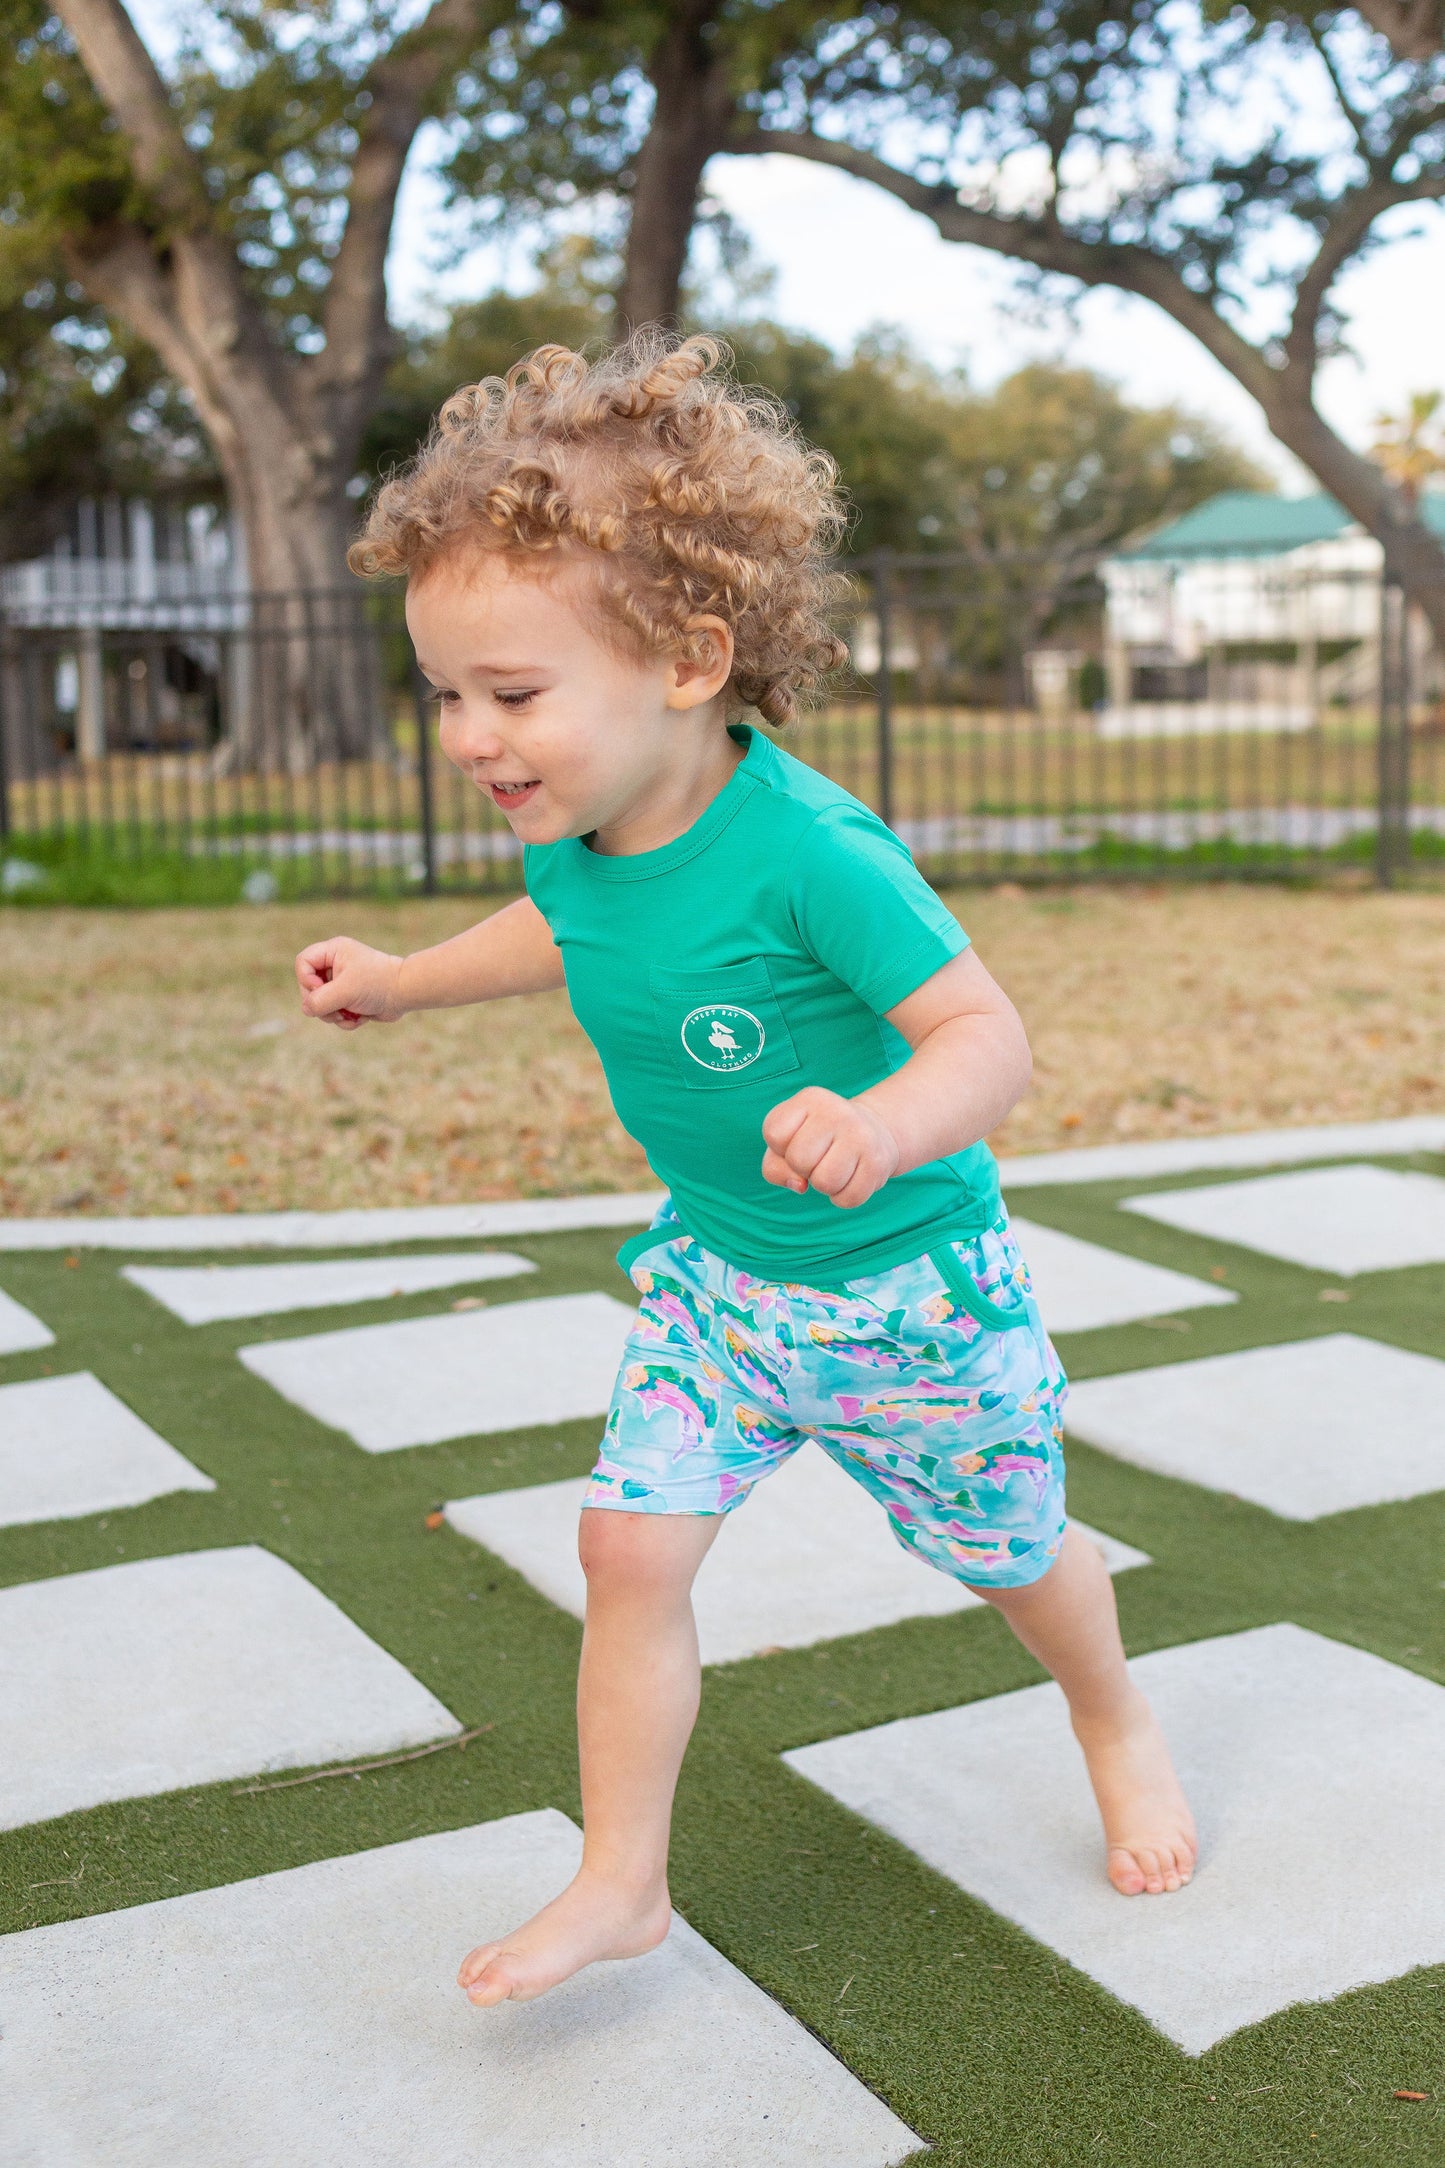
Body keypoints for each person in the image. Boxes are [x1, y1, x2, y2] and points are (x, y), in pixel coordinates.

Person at [295, 335, 1197, 2009]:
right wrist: (408, 980)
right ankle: (620, 1880)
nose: (469, 737)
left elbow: (986, 1037)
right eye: (446, 695)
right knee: (627, 1550)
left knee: (1014, 1558)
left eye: (510, 692)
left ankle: (1108, 1706)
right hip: (718, 1286)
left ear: (691, 659)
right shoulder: (575, 838)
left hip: (907, 1295)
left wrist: (888, 1123)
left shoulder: (810, 853)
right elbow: (557, 929)